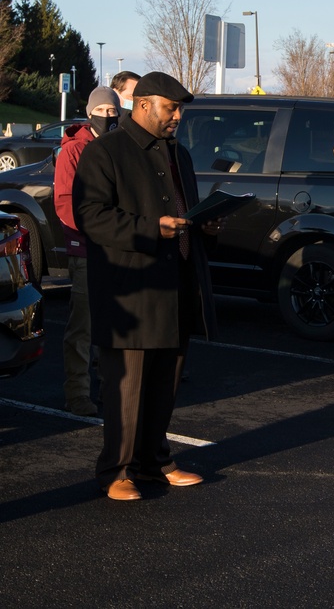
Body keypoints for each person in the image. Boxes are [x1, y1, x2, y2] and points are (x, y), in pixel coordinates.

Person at [73, 71, 220, 501]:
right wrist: (151, 229)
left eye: (179, 110)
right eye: (170, 108)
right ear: (142, 105)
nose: (177, 117)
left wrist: (207, 226)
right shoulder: (106, 152)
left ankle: (154, 462)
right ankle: (116, 471)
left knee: (164, 383)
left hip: (176, 285)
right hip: (130, 291)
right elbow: (91, 216)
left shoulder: (181, 155)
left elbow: (185, 213)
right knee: (125, 387)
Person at [54, 86, 119, 417]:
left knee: (111, 326)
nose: (109, 116)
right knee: (82, 325)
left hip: (115, 251)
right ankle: (77, 392)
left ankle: (109, 389)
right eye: (103, 109)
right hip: (85, 250)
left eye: (113, 110)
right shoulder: (74, 151)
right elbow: (65, 203)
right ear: (91, 111)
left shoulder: (119, 148)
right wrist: (94, 231)